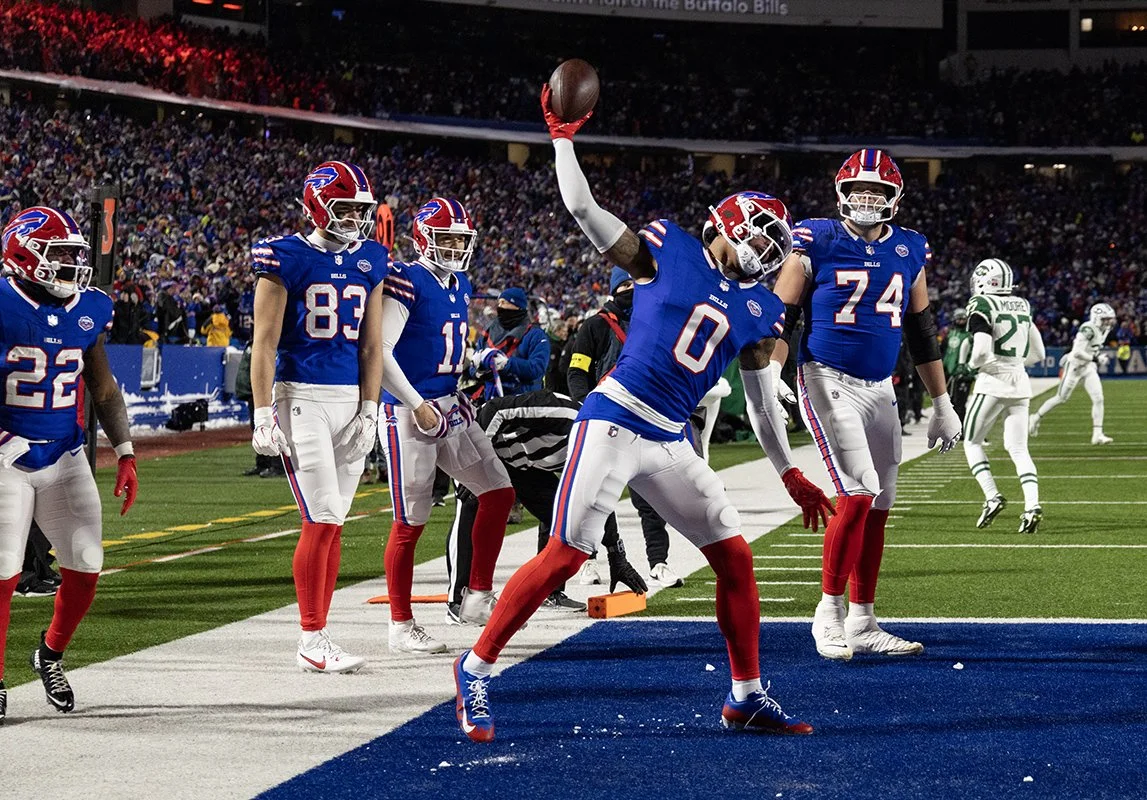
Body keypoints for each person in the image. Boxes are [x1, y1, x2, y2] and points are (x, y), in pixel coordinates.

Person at [452, 85, 835, 742]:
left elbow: (761, 400)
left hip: (670, 438)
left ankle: (744, 694)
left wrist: (788, 472)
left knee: (733, 558)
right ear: (729, 222)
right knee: (567, 554)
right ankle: (476, 667)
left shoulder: (759, 309)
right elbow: (581, 208)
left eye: (779, 243)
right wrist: (562, 137)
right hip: (614, 418)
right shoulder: (668, 247)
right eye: (765, 234)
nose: (770, 250)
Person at [768, 149, 963, 662]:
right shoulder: (816, 238)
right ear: (842, 194)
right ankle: (827, 614)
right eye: (859, 191)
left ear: (894, 197)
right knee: (856, 493)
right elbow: (782, 315)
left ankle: (864, 619)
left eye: (876, 191)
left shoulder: (910, 248)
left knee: (878, 506)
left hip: (882, 386)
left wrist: (941, 402)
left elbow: (921, 334)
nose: (867, 199)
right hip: (826, 377)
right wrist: (771, 369)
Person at [0, 206, 139, 721]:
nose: (68, 267)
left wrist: (124, 452)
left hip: (65, 453)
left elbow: (102, 387)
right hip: (7, 456)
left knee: (86, 566)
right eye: (57, 255)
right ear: (22, 253)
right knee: (3, 574)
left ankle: (49, 654)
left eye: (72, 256)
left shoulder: (89, 308)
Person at [250, 161, 387, 674]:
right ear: (316, 205)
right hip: (299, 395)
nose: (354, 217)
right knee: (321, 516)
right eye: (345, 206)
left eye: (360, 208)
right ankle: (311, 637)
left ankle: (320, 631)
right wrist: (262, 411)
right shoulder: (283, 255)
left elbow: (372, 346)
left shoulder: (372, 258)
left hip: (349, 398)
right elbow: (262, 344)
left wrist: (371, 408)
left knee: (334, 523)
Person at [378, 197, 516, 653]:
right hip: (406, 409)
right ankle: (400, 626)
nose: (455, 247)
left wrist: (477, 358)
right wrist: (416, 404)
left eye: (461, 238)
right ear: (423, 238)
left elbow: (444, 342)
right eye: (447, 238)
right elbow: (379, 351)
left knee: (498, 491)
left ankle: (476, 596)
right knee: (410, 521)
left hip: (449, 404)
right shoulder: (406, 278)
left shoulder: (459, 283)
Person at [443, 388, 649, 617]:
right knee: (471, 505)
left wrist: (616, 554)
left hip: (526, 467)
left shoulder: (603, 450)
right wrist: (476, 461)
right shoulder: (564, 413)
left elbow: (599, 500)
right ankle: (458, 603)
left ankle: (550, 593)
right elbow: (495, 411)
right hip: (482, 443)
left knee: (563, 522)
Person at [567, 266, 686, 588]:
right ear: (615, 290)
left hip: (645, 419)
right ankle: (587, 561)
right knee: (595, 496)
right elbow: (577, 372)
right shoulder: (594, 326)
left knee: (651, 499)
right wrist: (586, 405)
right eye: (627, 287)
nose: (633, 293)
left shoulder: (655, 323)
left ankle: (658, 562)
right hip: (605, 420)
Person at [961, 259, 1046, 534]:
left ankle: (992, 496)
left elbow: (981, 349)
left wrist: (971, 366)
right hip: (1020, 383)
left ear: (984, 280)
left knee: (971, 441)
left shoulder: (982, 304)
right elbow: (1039, 354)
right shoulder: (1022, 305)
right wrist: (1014, 365)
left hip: (993, 382)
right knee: (1019, 449)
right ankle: (1032, 506)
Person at [1029, 302, 1116, 444]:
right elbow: (1076, 352)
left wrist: (1096, 357)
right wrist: (1096, 358)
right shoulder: (1088, 329)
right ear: (1096, 318)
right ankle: (1035, 417)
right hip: (1074, 367)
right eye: (1105, 319)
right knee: (1061, 398)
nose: (1108, 322)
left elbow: (1092, 348)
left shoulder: (1103, 330)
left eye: (1109, 319)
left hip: (1088, 367)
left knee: (1098, 398)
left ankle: (1097, 434)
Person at [470, 287, 550, 400]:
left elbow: (537, 368)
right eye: (499, 303)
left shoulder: (536, 335)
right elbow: (473, 366)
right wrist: (476, 371)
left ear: (517, 306)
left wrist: (507, 364)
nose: (500, 306)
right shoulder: (489, 330)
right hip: (491, 398)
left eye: (504, 302)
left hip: (523, 400)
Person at [942, 307, 974, 421]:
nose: (961, 321)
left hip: (962, 374)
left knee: (960, 403)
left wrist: (967, 371)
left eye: (963, 319)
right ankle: (952, 429)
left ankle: (961, 430)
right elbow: (945, 352)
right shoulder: (950, 334)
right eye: (958, 319)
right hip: (949, 373)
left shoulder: (970, 336)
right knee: (950, 402)